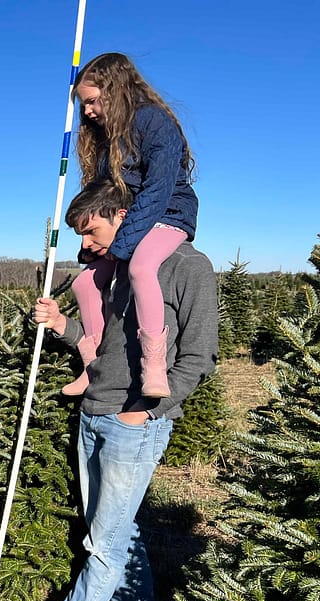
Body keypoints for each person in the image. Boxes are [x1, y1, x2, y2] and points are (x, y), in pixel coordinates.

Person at [21, 180, 217, 601]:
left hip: (134, 424)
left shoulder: (188, 267)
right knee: (110, 527)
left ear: (124, 215)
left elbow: (199, 357)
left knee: (104, 538)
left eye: (91, 232)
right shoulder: (114, 271)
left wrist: (149, 411)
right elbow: (100, 344)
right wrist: (60, 326)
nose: (84, 245)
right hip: (93, 411)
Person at [62, 52, 198, 401]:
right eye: (83, 105)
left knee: (139, 267)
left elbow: (158, 189)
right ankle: (94, 366)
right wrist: (92, 246)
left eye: (92, 101)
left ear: (115, 89)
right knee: (86, 284)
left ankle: (153, 366)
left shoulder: (155, 123)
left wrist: (122, 247)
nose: (88, 111)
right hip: (129, 223)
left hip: (168, 215)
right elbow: (102, 199)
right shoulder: (107, 140)